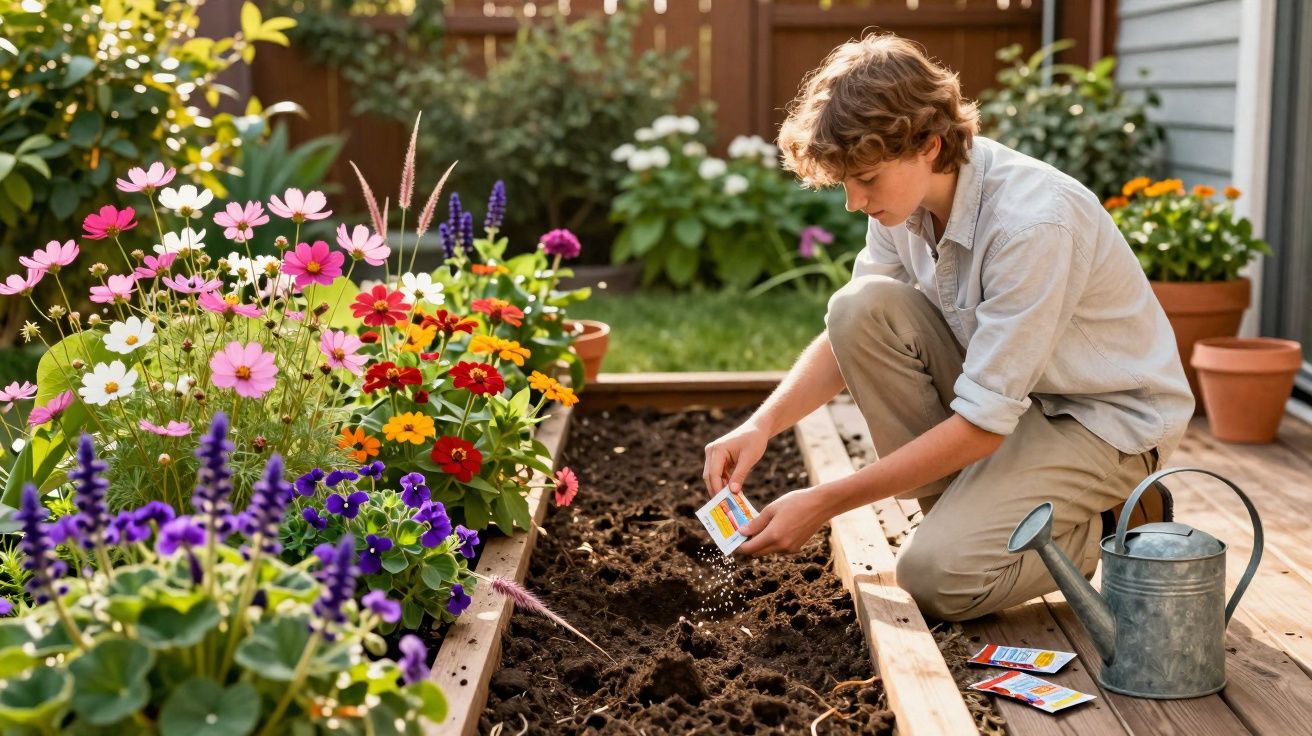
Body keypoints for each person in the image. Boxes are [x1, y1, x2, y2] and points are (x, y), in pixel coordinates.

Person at [701, 34, 1194, 622]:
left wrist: (825, 502)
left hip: (1101, 422)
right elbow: (852, 334)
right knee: (859, 306)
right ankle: (968, 514)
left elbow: (983, 426)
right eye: (845, 182)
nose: (854, 202)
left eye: (866, 179)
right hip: (1013, 403)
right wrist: (762, 425)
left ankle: (1114, 522)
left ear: (930, 146)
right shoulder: (902, 202)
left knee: (935, 579)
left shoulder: (1031, 225)